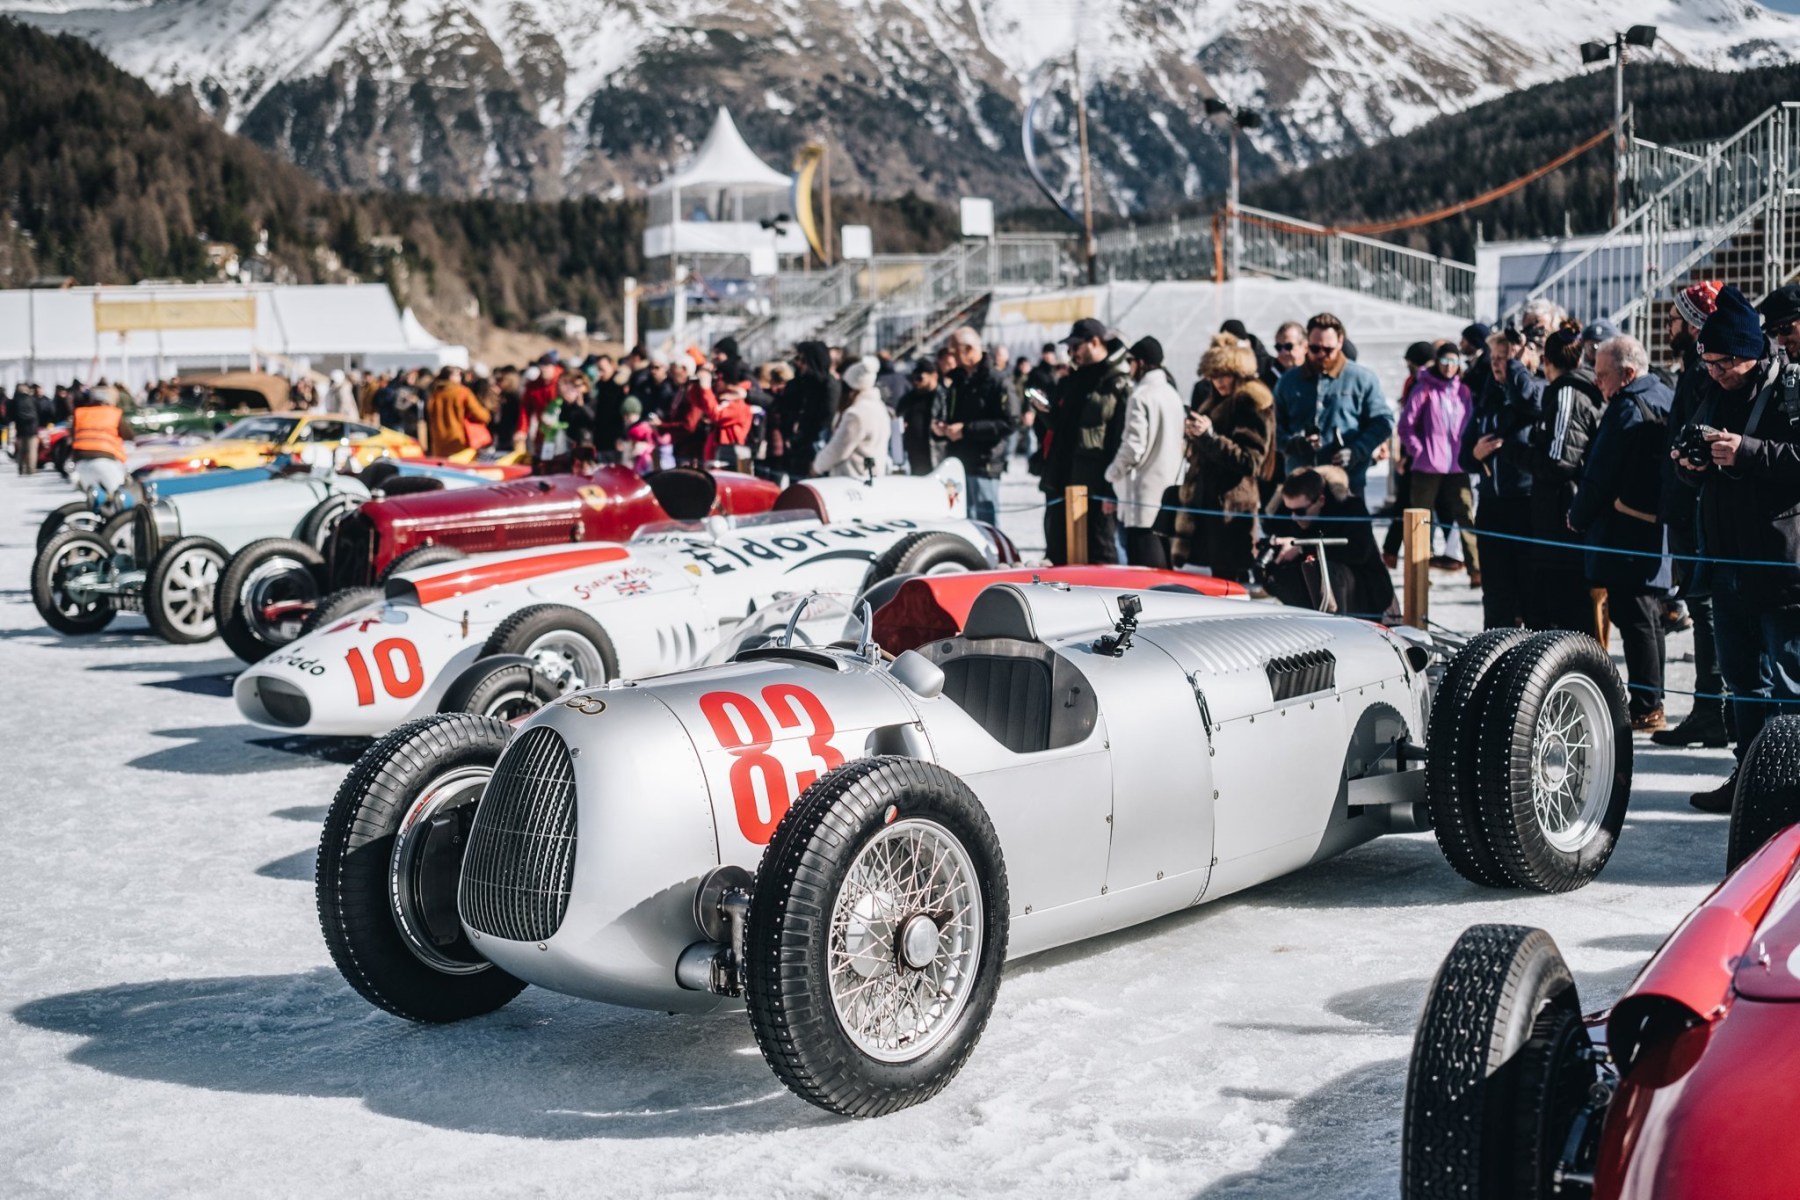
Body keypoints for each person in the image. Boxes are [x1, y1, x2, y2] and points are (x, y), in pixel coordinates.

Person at [1676, 285, 1800, 811]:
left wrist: (1745, 451)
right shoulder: (1712, 390)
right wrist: (1691, 465)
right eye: (1709, 362)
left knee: (1790, 687)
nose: (1717, 372)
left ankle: (1790, 789)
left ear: (1750, 352)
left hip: (1779, 564)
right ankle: (1750, 783)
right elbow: (1696, 464)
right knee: (1743, 684)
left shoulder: (1790, 386)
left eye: (1725, 362)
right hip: (1724, 562)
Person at [1572, 335, 1672, 733]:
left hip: (1625, 530)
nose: (1597, 382)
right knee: (1649, 617)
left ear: (1627, 374)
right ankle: (1652, 701)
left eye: (1602, 375)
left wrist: (1578, 516)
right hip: (1655, 529)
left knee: (1635, 618)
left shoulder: (1628, 406)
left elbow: (1601, 472)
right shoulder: (1663, 393)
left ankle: (1647, 705)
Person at [1654, 280, 1731, 748]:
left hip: (1695, 509)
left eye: (1675, 320)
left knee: (1706, 610)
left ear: (1696, 324)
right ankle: (1712, 708)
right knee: (1704, 609)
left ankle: (1712, 710)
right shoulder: (1692, 370)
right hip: (1685, 506)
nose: (1669, 327)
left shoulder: (1703, 374)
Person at [1169, 334, 1273, 580]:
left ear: (1238, 373)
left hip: (1232, 507)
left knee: (1229, 579)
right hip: (1210, 502)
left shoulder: (1250, 401)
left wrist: (1209, 437)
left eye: (1224, 375)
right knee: (1215, 577)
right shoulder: (1217, 400)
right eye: (1213, 376)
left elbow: (1250, 461)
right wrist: (1194, 436)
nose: (1218, 382)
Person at [1528, 323, 1606, 639]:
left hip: (1563, 517)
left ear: (1546, 361)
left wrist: (1514, 453)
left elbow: (1559, 461)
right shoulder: (1581, 387)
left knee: (1568, 612)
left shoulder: (1568, 392)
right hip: (1565, 514)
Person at [1461, 326, 1543, 627]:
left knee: (1531, 591)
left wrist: (1516, 367)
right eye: (1494, 357)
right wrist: (1476, 454)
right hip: (1491, 504)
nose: (1497, 364)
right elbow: (1463, 455)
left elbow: (1530, 402)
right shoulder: (1488, 396)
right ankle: (1495, 649)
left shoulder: (1539, 389)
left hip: (1526, 502)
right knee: (1496, 593)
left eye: (1505, 357)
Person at [1038, 318, 1131, 564]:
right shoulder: (1072, 379)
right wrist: (1045, 412)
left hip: (1095, 484)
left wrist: (1110, 489)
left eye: (1075, 347)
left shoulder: (1117, 382)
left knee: (1100, 554)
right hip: (1062, 479)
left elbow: (1119, 439)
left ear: (1094, 343)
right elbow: (1062, 427)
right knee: (1057, 552)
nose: (1071, 353)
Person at [1272, 313, 1393, 496]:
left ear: (1340, 342)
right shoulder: (1288, 381)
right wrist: (1294, 443)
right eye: (1314, 349)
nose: (1321, 355)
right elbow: (1272, 427)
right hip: (1301, 486)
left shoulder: (1362, 379)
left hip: (1347, 484)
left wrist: (1356, 451)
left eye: (1328, 349)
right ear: (1307, 344)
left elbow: (1383, 422)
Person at [1263, 466, 1395, 616]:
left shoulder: (1350, 508)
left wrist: (1301, 546)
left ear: (1321, 500)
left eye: (1300, 511)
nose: (1293, 517)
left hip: (1365, 593)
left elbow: (1358, 552)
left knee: (1327, 569)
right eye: (1289, 511)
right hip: (1314, 598)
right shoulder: (1292, 512)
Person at [1397, 340, 1479, 577]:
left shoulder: (1463, 391)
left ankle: (1475, 568)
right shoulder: (1424, 388)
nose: (1449, 366)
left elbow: (1470, 424)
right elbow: (1406, 425)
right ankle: (1418, 574)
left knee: (1465, 513)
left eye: (1454, 361)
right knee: (1420, 519)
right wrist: (1418, 450)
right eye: (1444, 360)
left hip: (1457, 464)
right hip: (1428, 464)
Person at [1105, 336, 1186, 568]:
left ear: (1140, 362)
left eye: (1130, 361)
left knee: (1144, 569)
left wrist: (1112, 473)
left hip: (1142, 495)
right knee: (1163, 566)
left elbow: (1133, 447)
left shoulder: (1141, 395)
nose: (1128, 368)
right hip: (1168, 490)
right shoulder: (1172, 393)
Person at [932, 327, 1014, 524]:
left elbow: (1010, 422)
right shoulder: (959, 379)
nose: (951, 357)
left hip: (984, 463)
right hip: (958, 462)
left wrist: (966, 430)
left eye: (954, 351)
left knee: (985, 523)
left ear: (968, 349)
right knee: (963, 522)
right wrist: (944, 427)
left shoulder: (997, 380)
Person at [813, 356, 892, 478]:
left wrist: (816, 467)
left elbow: (838, 449)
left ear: (850, 390)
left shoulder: (856, 414)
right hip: (872, 475)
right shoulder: (879, 407)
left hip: (853, 478)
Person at [781, 342, 840, 478]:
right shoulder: (800, 384)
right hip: (798, 447)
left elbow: (826, 419)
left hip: (816, 447)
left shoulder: (828, 386)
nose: (798, 364)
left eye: (803, 360)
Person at [68, 384, 134, 496]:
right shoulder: (113, 413)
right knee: (119, 496)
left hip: (80, 462)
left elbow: (72, 435)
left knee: (95, 498)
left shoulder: (80, 413)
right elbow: (129, 436)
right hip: (105, 460)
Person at [425, 366, 491, 457]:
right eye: (457, 375)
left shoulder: (434, 394)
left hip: (438, 442)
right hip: (459, 440)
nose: (460, 378)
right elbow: (481, 415)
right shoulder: (462, 392)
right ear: (450, 377)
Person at [898, 357, 947, 475]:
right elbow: (898, 418)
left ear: (934, 376)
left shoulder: (944, 397)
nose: (916, 382)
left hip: (936, 454)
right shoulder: (908, 399)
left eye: (920, 378)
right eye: (913, 379)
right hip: (913, 456)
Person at [668, 362, 718, 467]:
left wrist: (662, 426)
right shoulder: (685, 389)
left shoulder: (697, 391)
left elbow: (690, 425)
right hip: (682, 446)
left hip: (693, 448)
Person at [12, 381, 40, 475]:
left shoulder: (15, 401)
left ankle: (21, 467)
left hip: (20, 429)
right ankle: (31, 469)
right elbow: (38, 411)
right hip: (32, 428)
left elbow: (12, 415)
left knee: (21, 450)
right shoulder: (32, 399)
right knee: (32, 450)